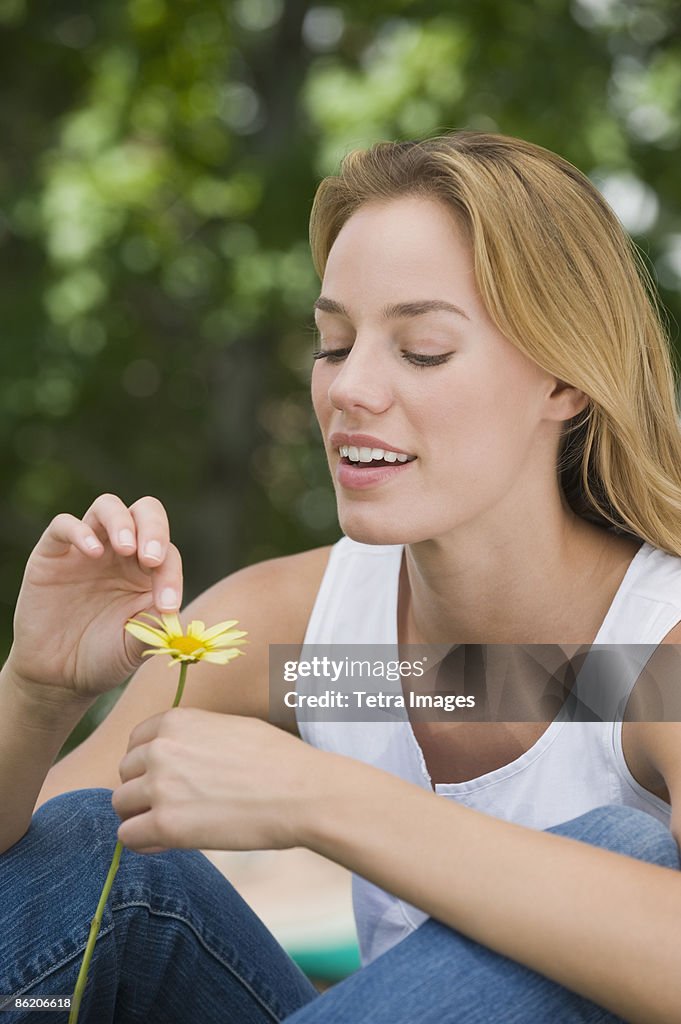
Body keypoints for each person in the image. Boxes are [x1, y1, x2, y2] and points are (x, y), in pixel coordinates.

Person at [1, 131, 681, 1024]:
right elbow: (39, 877)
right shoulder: (306, 636)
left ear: (565, 379)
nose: (349, 388)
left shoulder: (649, 656)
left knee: (621, 852)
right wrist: (34, 690)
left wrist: (322, 799)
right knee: (95, 835)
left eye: (422, 349)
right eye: (332, 343)